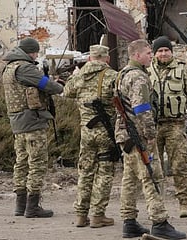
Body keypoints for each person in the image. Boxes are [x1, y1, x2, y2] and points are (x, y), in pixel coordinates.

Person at [114, 39, 186, 239]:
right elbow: (141, 109)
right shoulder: (138, 77)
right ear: (137, 55)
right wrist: (150, 135)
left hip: (124, 135)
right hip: (138, 135)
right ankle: (159, 221)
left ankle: (129, 221)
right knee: (152, 176)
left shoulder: (123, 74)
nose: (151, 55)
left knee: (130, 178)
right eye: (147, 53)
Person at [2, 37, 64, 218]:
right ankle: (32, 206)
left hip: (17, 122)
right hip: (32, 121)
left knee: (21, 163)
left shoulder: (9, 68)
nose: (37, 55)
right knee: (37, 163)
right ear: (31, 52)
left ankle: (20, 205)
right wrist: (60, 87)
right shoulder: (25, 68)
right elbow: (45, 85)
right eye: (36, 52)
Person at [63, 45, 119, 228]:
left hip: (86, 132)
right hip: (105, 132)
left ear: (90, 59)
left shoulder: (78, 76)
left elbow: (67, 93)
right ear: (107, 58)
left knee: (85, 171)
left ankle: (80, 215)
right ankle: (97, 215)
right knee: (104, 172)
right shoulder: (112, 76)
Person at [148, 36, 187, 218]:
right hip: (153, 126)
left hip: (175, 125)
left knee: (180, 165)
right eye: (160, 51)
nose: (163, 54)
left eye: (166, 50)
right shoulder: (147, 71)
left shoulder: (183, 70)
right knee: (154, 168)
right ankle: (156, 205)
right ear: (154, 53)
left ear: (171, 52)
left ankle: (184, 203)